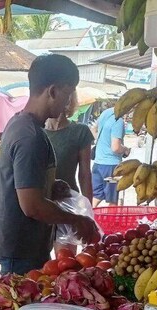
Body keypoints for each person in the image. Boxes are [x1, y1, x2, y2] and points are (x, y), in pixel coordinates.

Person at [0, 54, 100, 276]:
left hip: (23, 245)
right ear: (53, 91)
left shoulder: (21, 124)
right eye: (67, 94)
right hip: (21, 249)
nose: (68, 103)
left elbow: (24, 181)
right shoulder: (30, 136)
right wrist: (76, 220)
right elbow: (32, 206)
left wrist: (49, 184)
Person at [45, 92, 95, 256]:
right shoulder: (37, 132)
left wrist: (88, 213)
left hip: (68, 205)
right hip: (40, 204)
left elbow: (85, 174)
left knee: (65, 262)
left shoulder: (80, 132)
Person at [91, 103, 131, 207]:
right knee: (112, 199)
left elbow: (93, 129)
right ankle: (110, 223)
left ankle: (86, 217)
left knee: (97, 195)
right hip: (111, 166)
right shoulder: (118, 121)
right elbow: (116, 147)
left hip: (98, 163)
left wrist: (102, 143)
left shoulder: (106, 113)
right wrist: (126, 150)